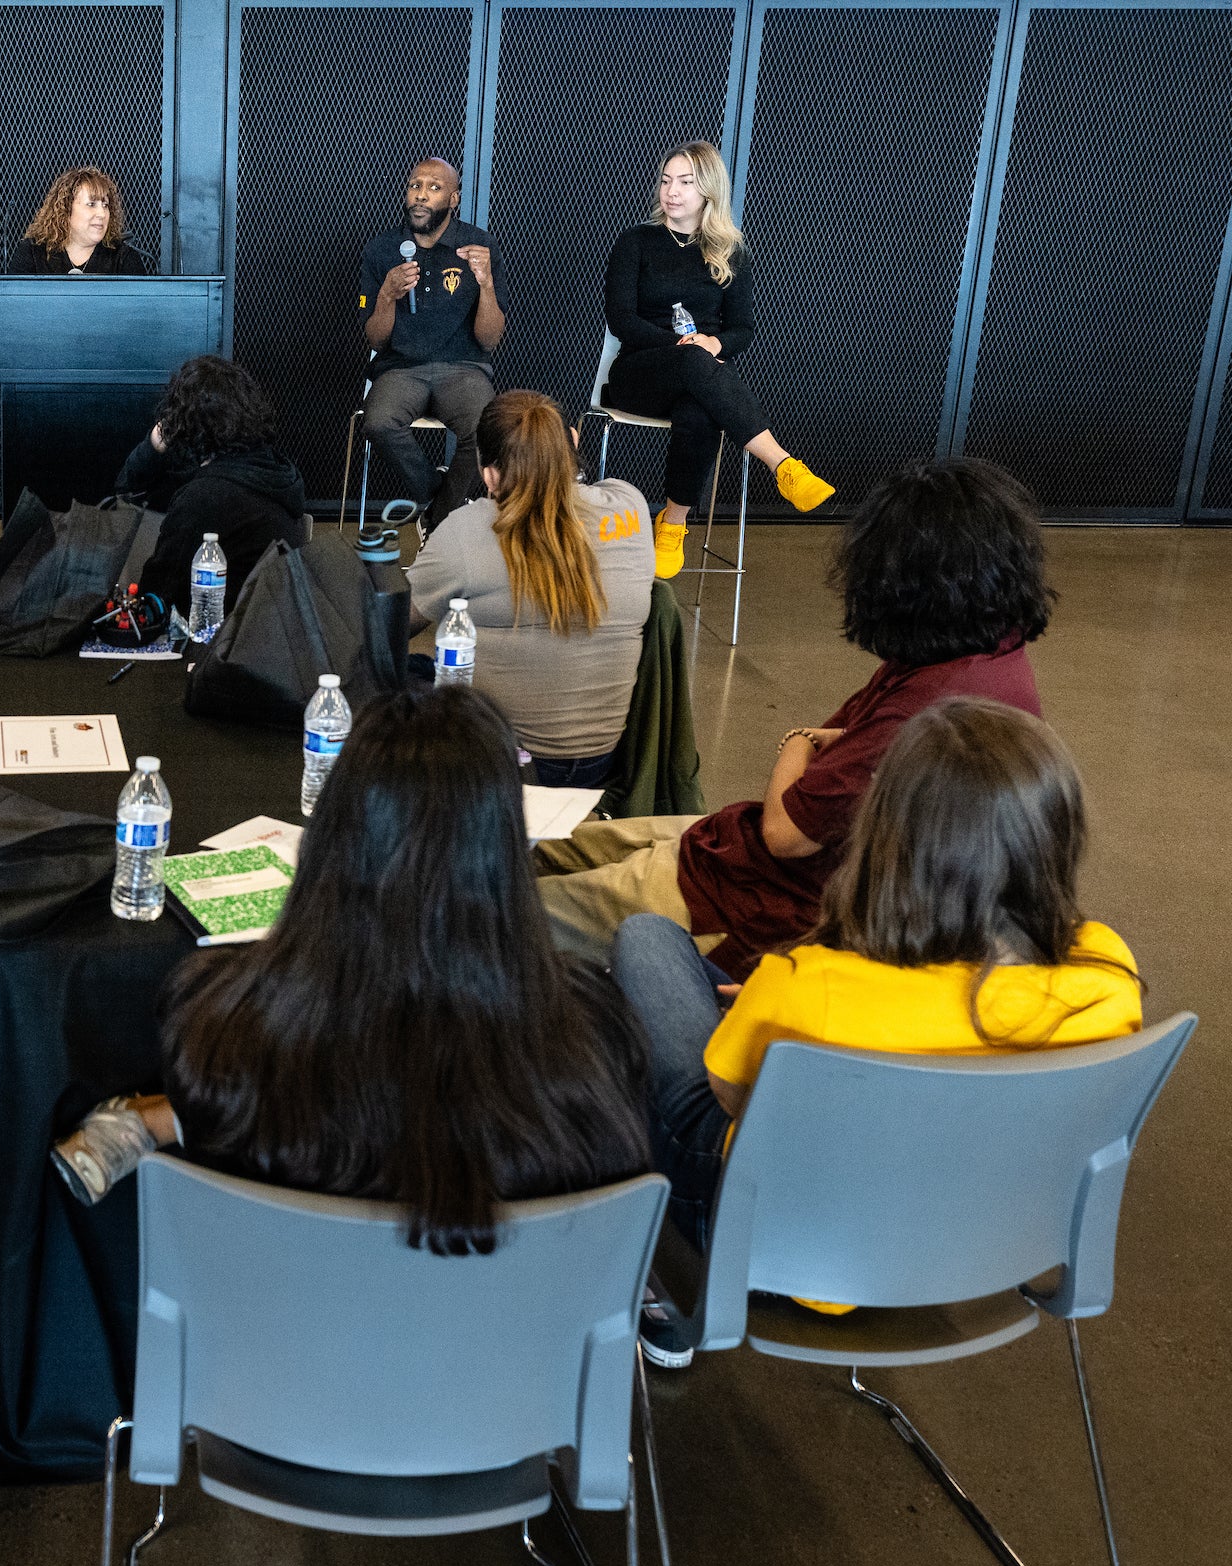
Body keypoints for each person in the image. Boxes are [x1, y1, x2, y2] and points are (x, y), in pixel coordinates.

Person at [611, 699, 1142, 1359]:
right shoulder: (1109, 969)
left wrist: (776, 1010)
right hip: (980, 1241)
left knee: (647, 943)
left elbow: (726, 1101)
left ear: (886, 841)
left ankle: (627, 1271)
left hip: (784, 1241)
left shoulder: (810, 982)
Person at [52, 683, 651, 1251]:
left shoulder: (220, 1025)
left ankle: (149, 1122)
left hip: (277, 1342)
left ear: (333, 845)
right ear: (505, 857)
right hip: (505, 1352)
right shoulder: (593, 1043)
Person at [534, 456, 1053, 979]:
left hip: (752, 902)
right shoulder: (988, 654)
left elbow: (786, 832)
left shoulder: (927, 709)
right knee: (545, 845)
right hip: (734, 849)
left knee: (507, 910)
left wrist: (798, 739)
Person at [602, 140, 835, 579]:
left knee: (701, 412)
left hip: (698, 376)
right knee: (693, 363)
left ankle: (672, 524)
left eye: (685, 182)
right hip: (640, 374)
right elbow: (621, 320)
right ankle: (782, 464)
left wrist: (714, 345)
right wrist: (684, 347)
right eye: (667, 180)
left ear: (708, 189)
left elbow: (741, 329)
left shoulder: (731, 250)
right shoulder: (637, 241)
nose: (672, 191)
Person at [406, 390, 653, 788]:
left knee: (390, 673)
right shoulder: (630, 506)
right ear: (572, 441)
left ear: (488, 475)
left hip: (499, 764)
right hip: (602, 764)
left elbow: (393, 625)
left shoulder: (467, 529)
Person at [359, 157, 504, 526]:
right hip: (400, 369)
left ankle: (437, 522)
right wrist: (387, 296)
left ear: (454, 199)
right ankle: (435, 494)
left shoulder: (479, 245)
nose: (420, 196)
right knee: (377, 422)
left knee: (487, 431)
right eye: (414, 186)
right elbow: (375, 337)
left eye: (434, 188)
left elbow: (489, 340)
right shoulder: (382, 249)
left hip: (463, 368)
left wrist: (486, 283)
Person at [116, 355, 306, 617]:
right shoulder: (269, 471)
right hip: (268, 630)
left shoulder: (207, 497)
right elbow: (130, 490)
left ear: (185, 423)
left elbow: (156, 592)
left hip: (215, 637)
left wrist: (159, 441)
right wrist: (152, 448)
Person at [6, 167, 151, 275]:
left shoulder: (124, 257)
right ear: (66, 209)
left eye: (105, 205)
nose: (102, 213)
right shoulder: (33, 252)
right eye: (91, 204)